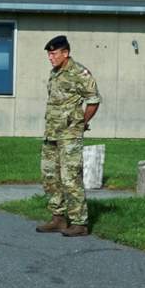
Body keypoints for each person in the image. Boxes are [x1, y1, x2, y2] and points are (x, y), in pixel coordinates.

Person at [35, 35, 101, 237]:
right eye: (49, 53)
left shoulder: (79, 72)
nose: (50, 57)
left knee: (70, 178)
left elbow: (94, 100)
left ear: (66, 53)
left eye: (53, 53)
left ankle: (80, 223)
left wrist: (81, 124)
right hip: (52, 133)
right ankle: (59, 218)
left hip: (69, 136)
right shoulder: (55, 73)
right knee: (50, 177)